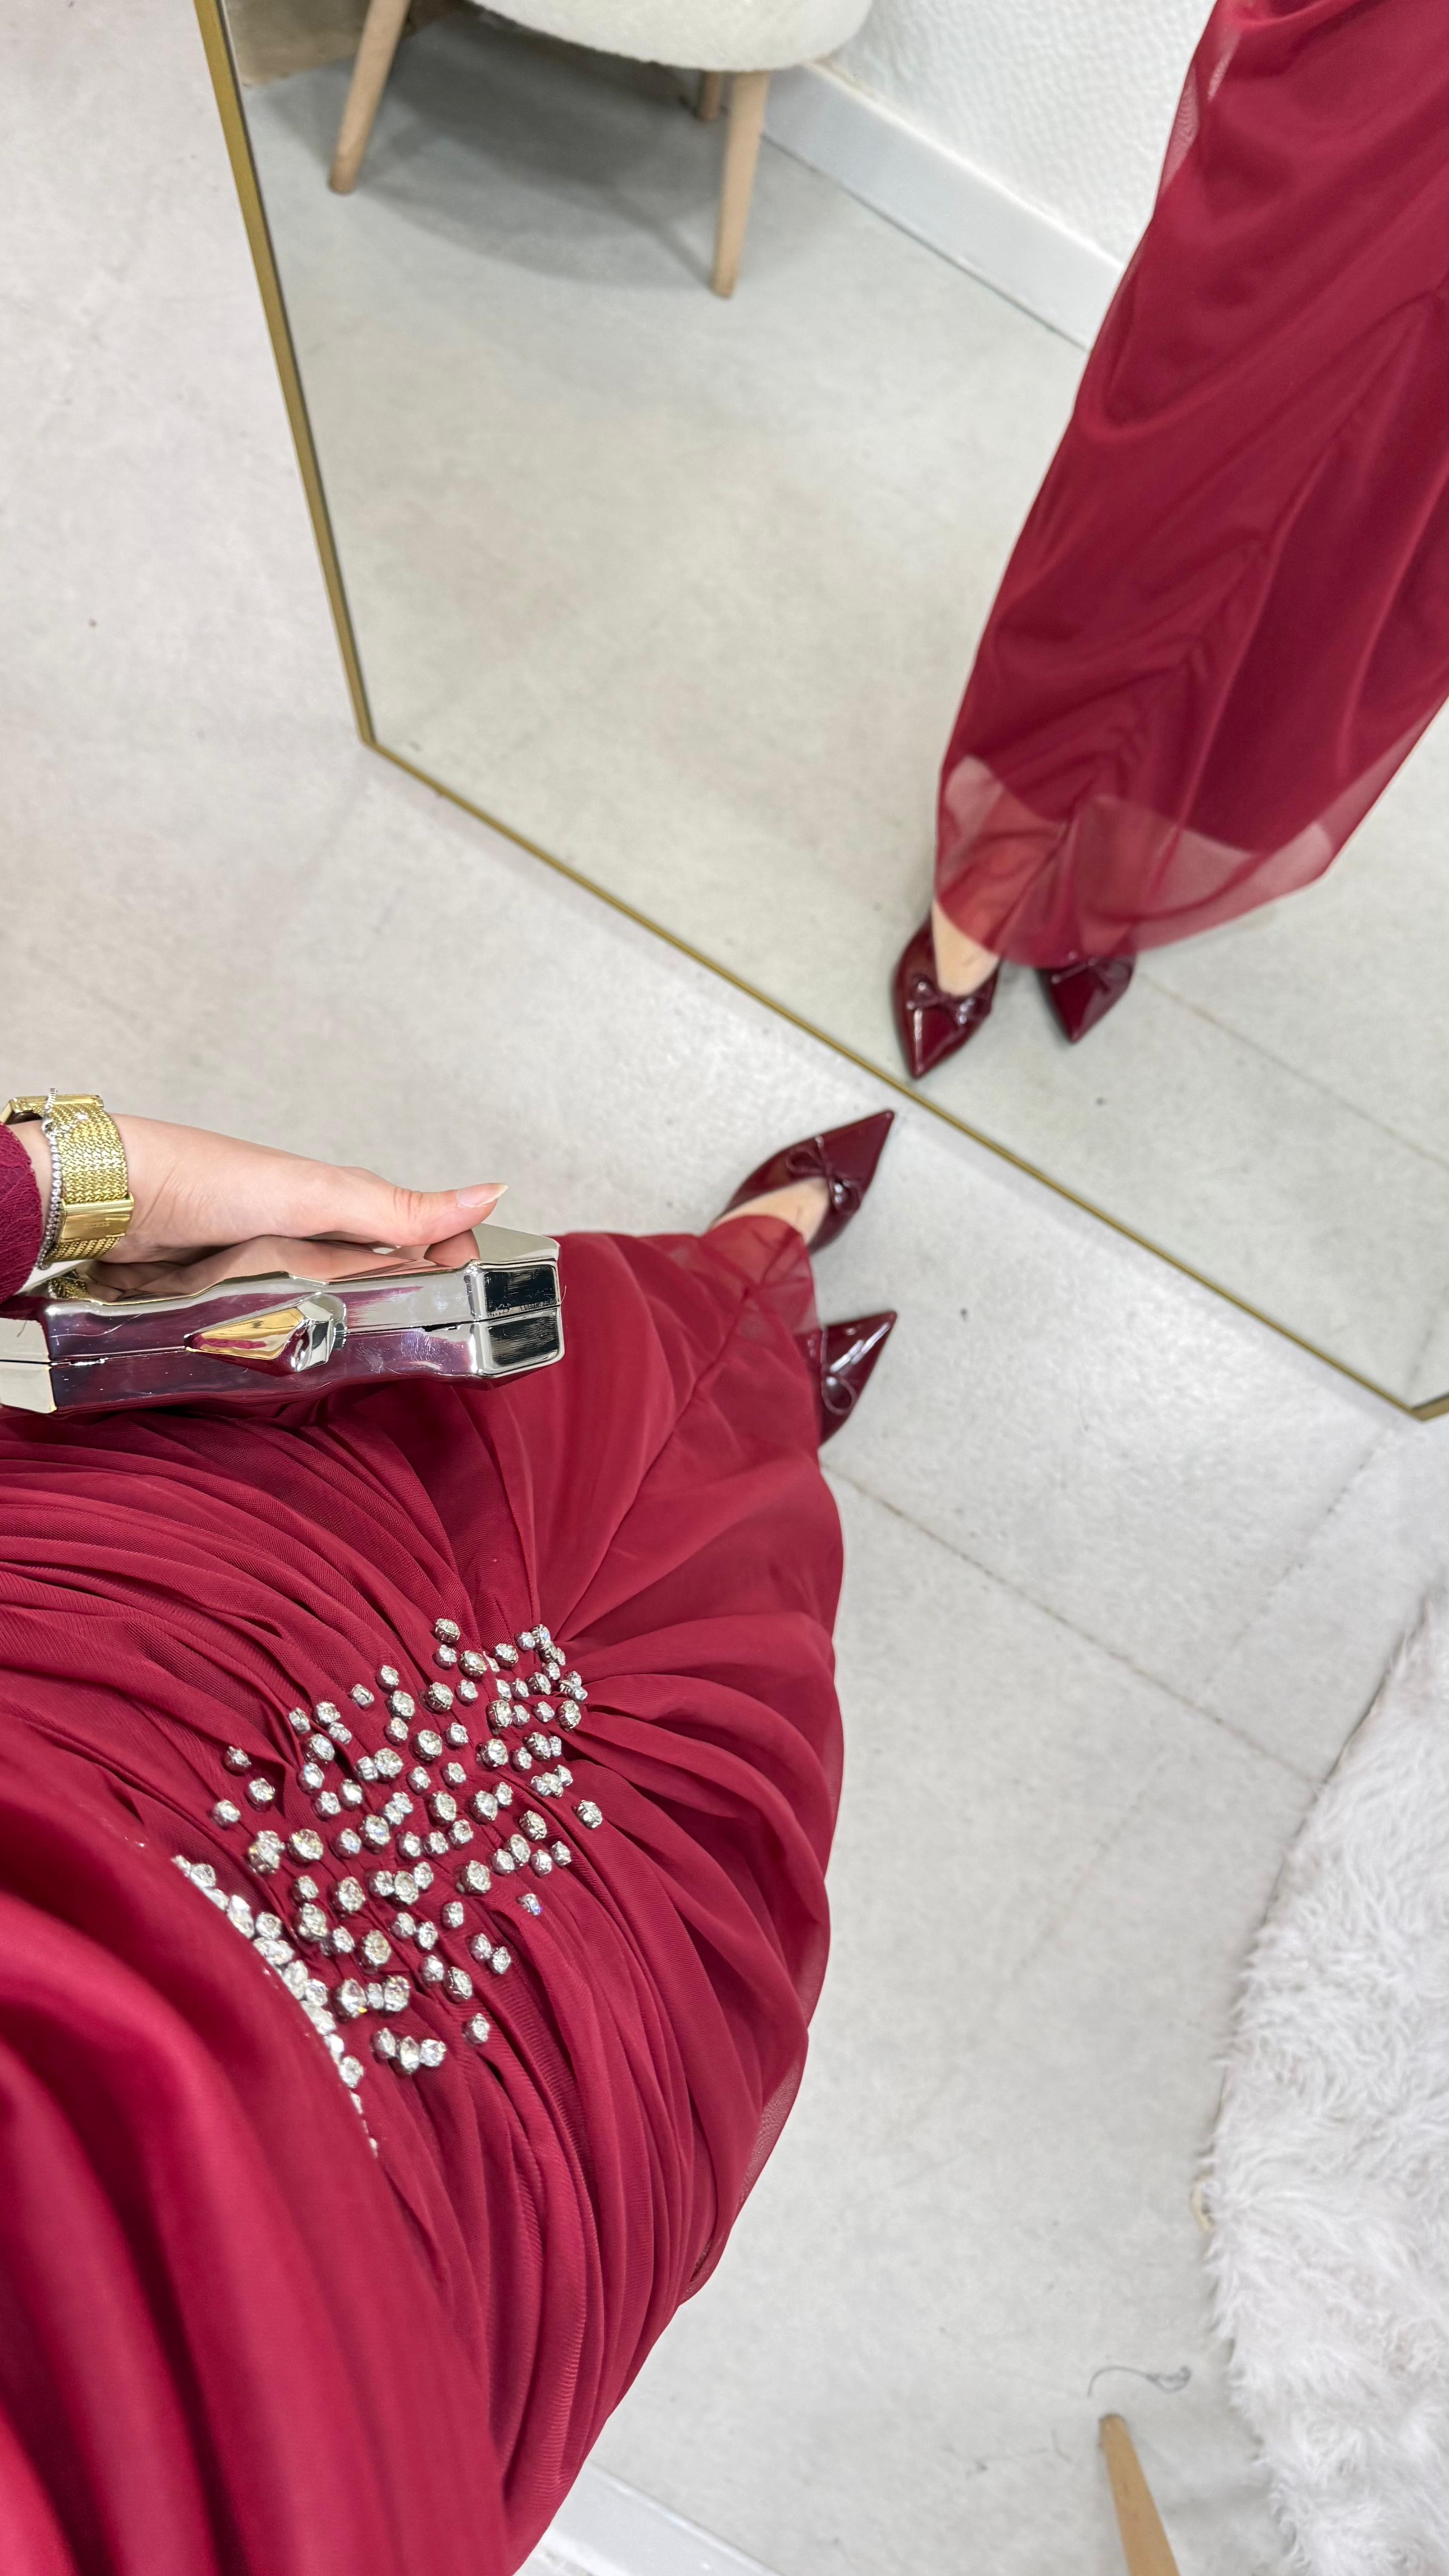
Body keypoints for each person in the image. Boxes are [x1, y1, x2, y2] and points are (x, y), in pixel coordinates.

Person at [0, 1090, 896, 2574]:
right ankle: (770, 1378)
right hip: (365, 2327)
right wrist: (67, 1182)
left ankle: (752, 1325)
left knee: (491, 1434)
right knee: (679, 1771)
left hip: (73, 1744)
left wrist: (64, 1186)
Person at [893, 0, 1449, 1077]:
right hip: (1393, 78)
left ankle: (1107, 876)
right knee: (1161, 503)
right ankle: (995, 871)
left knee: (1356, 566)